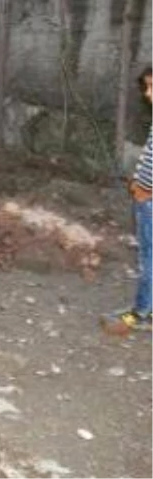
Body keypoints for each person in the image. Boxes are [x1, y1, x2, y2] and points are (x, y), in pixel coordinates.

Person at [106, 67, 153, 333]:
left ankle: (142, 312)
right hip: (145, 196)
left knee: (148, 258)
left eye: (152, 87)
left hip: (149, 200)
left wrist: (141, 188)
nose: (147, 94)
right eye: (146, 87)